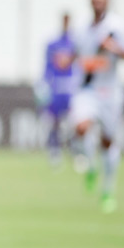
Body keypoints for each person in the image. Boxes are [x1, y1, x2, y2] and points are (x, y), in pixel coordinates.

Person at [69, 0, 124, 213]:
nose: (97, 3)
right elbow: (78, 54)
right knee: (81, 126)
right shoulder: (83, 28)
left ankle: (107, 190)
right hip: (87, 90)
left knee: (107, 142)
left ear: (107, 1)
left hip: (110, 93)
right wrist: (67, 61)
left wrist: (113, 48)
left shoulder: (116, 27)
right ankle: (90, 165)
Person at [36, 13, 77, 168]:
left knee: (72, 122)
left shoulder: (75, 44)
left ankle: (74, 152)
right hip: (56, 87)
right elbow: (47, 67)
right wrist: (43, 84)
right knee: (54, 121)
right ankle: (54, 151)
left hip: (70, 87)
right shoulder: (53, 44)